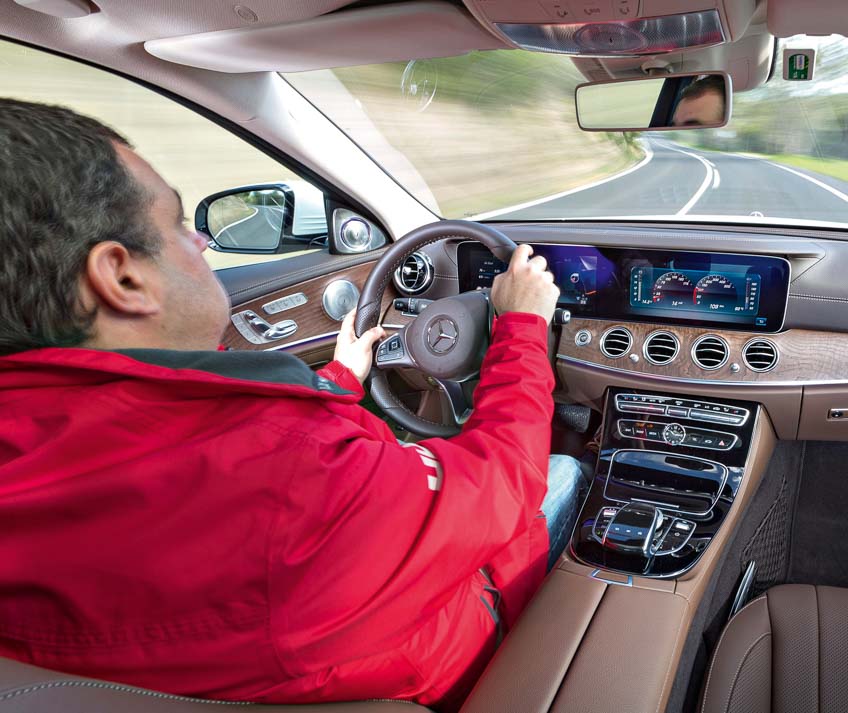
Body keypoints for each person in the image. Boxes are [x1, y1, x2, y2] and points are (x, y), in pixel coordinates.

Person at [0, 98, 585, 710]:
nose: (200, 239)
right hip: (450, 666)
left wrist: (335, 382)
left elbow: (204, 445)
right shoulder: (300, 479)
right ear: (121, 279)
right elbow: (503, 482)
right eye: (176, 224)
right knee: (566, 471)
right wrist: (520, 327)